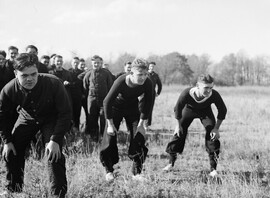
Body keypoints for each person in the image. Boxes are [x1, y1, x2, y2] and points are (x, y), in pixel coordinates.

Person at [0, 53, 72, 197]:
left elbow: (65, 113)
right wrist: (7, 141)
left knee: (53, 153)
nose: (30, 79)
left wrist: (55, 139)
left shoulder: (53, 83)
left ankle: (58, 194)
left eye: (33, 74)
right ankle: (13, 189)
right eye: (24, 76)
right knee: (11, 150)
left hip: (51, 118)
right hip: (27, 116)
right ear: (15, 73)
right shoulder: (8, 90)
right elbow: (2, 117)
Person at [162, 74, 227, 177]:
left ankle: (213, 169)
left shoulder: (214, 94)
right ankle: (170, 163)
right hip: (189, 110)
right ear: (198, 85)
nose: (209, 91)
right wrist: (178, 126)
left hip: (205, 112)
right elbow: (177, 109)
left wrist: (216, 129)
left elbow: (222, 110)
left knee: (212, 136)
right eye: (206, 88)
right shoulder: (186, 93)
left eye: (211, 88)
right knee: (179, 133)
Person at [100, 58, 153, 182]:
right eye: (140, 75)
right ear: (131, 73)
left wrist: (141, 124)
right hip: (115, 108)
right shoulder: (121, 81)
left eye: (145, 74)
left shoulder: (148, 82)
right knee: (110, 137)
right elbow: (107, 102)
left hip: (132, 108)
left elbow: (149, 103)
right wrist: (110, 124)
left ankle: (137, 173)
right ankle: (109, 171)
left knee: (138, 136)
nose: (143, 78)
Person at [83, 55, 114, 142]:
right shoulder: (88, 74)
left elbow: (110, 86)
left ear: (101, 63)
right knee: (92, 119)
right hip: (92, 100)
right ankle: (94, 139)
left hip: (103, 100)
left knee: (103, 118)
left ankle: (104, 138)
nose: (96, 64)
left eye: (98, 63)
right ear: (92, 63)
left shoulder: (106, 73)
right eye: (95, 63)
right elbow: (85, 87)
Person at [69, 57, 84, 132]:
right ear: (71, 63)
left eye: (77, 63)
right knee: (69, 114)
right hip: (69, 96)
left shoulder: (81, 73)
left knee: (77, 114)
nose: (75, 64)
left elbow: (83, 85)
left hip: (78, 96)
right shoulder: (68, 72)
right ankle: (69, 131)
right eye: (74, 62)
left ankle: (76, 130)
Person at [146, 62, 162, 128]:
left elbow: (160, 84)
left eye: (153, 66)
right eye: (150, 66)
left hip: (152, 94)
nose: (152, 68)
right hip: (144, 93)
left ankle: (147, 125)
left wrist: (158, 93)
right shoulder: (145, 74)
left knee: (150, 109)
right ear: (148, 67)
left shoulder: (155, 75)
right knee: (142, 108)